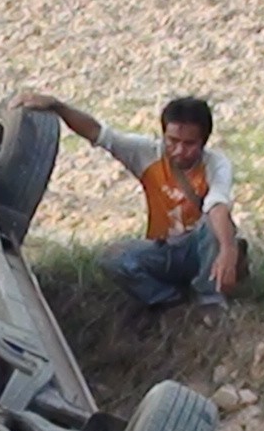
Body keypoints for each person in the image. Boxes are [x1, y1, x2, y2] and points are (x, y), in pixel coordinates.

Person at [15, 92, 240, 315]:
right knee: (113, 258)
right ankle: (170, 303)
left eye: (189, 144)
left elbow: (217, 205)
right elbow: (98, 133)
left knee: (215, 225)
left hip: (199, 249)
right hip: (164, 248)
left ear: (204, 142)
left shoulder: (216, 164)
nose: (179, 150)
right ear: (163, 136)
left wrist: (228, 249)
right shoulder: (147, 153)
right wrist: (58, 106)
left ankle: (209, 300)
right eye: (173, 141)